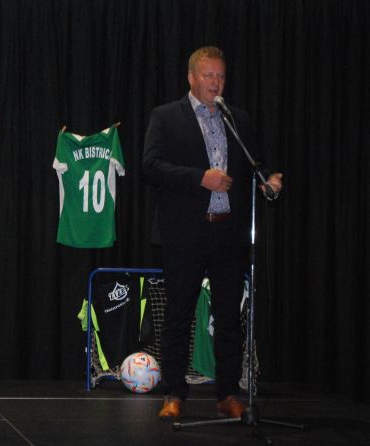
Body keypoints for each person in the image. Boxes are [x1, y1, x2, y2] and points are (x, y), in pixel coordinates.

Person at [142, 46, 283, 420]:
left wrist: (267, 180)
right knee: (178, 315)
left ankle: (228, 393)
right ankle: (174, 392)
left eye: (220, 76)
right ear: (191, 78)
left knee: (228, 317)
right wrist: (199, 178)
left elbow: (255, 162)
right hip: (184, 233)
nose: (215, 82)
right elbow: (150, 166)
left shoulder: (237, 118)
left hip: (227, 234)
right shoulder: (166, 117)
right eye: (208, 75)